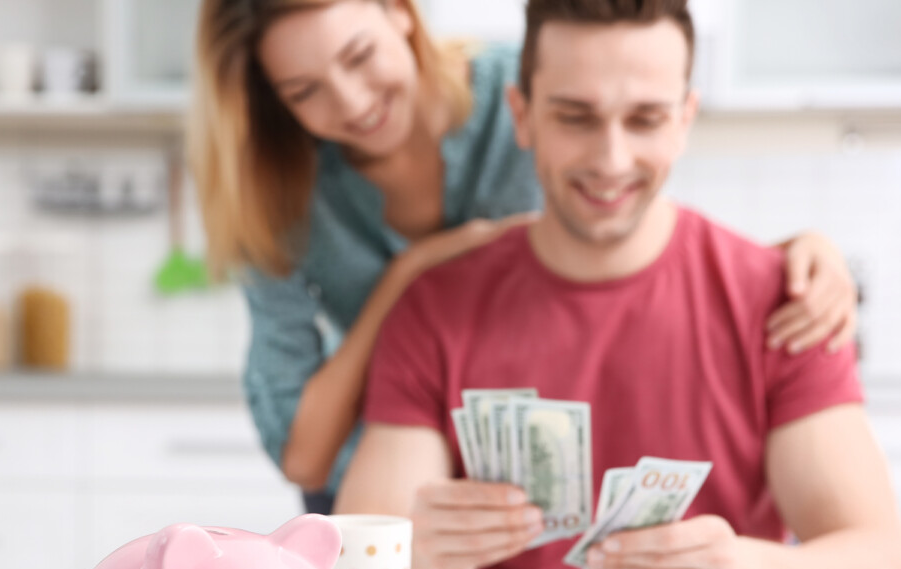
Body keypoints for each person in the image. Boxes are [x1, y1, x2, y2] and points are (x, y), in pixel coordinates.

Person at [333, 0, 901, 569]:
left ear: (684, 120)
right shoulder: (434, 309)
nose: (610, 160)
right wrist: (419, 563)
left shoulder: (786, 303)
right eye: (575, 117)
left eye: (645, 119)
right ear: (521, 116)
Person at [190, 0, 860, 515]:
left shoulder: (533, 91)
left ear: (399, 12)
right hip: (388, 486)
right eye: (304, 91)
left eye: (360, 56)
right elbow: (305, 454)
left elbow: (632, 217)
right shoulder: (273, 193)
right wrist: (408, 275)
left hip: (529, 490)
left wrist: (795, 257)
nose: (353, 102)